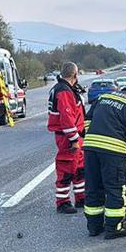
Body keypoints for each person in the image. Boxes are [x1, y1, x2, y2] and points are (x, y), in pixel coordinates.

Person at [82, 83, 126, 239]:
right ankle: (114, 227)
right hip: (113, 150)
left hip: (90, 147)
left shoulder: (104, 97)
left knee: (93, 187)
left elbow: (87, 119)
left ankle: (94, 226)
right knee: (115, 188)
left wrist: (91, 136)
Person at [47, 62, 87, 214]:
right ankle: (62, 202)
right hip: (68, 138)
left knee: (79, 169)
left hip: (75, 136)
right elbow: (67, 118)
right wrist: (74, 139)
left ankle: (81, 197)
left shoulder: (65, 89)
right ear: (75, 75)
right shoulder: (63, 91)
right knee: (66, 169)